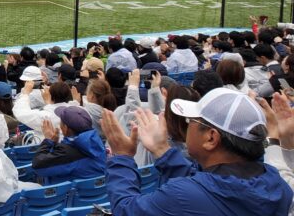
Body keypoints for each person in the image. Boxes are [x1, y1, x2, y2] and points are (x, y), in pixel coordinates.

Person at [101, 87, 293, 215]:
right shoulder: (277, 183)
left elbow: (125, 209)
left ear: (211, 138)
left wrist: (122, 157)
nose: (187, 125)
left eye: (190, 121)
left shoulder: (181, 196)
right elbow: (212, 189)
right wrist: (162, 150)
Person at [32, 105, 106, 184]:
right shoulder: (99, 143)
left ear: (65, 128)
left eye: (61, 123)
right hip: (95, 190)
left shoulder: (66, 152)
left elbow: (37, 167)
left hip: (68, 191)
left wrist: (48, 141)